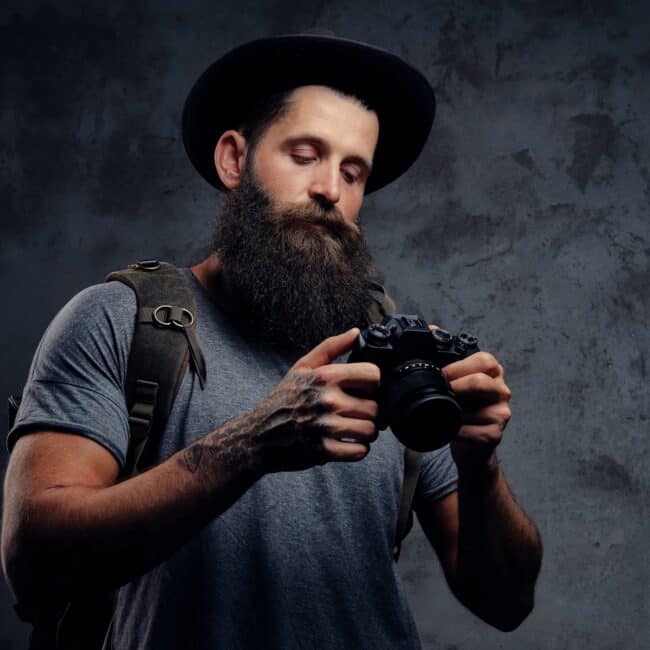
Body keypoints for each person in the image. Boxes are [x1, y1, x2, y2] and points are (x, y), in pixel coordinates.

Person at [2, 33, 542, 649]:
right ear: (234, 159)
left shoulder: (393, 355)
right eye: (305, 154)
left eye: (353, 171)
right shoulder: (118, 321)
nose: (330, 190)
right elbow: (33, 562)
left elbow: (506, 603)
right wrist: (255, 441)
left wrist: (481, 466)